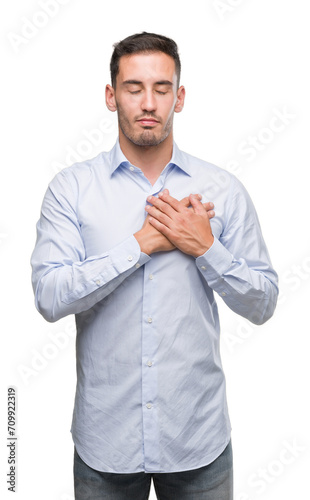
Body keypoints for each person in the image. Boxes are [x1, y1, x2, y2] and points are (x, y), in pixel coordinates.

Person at [31, 32, 278, 500]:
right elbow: (49, 295)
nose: (149, 103)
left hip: (197, 440)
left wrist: (205, 247)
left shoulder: (222, 190)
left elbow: (263, 302)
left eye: (162, 89)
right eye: (133, 88)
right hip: (106, 443)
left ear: (179, 97)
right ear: (111, 96)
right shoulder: (71, 190)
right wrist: (141, 245)